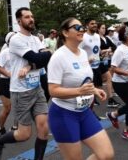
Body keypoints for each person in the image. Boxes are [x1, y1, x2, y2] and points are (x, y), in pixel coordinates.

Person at [0, 7, 52, 160]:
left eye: (31, 16)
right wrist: (41, 57)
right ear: (19, 21)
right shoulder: (16, 40)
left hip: (37, 88)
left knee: (43, 130)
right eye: (26, 17)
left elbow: (46, 59)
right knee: (24, 134)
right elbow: (40, 58)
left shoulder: (36, 39)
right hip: (20, 91)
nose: (31, 19)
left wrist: (29, 66)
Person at [48, 17, 114, 160]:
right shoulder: (58, 57)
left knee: (106, 154)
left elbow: (83, 80)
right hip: (64, 115)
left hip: (84, 112)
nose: (82, 30)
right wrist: (79, 91)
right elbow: (53, 91)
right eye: (77, 28)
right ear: (66, 33)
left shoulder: (83, 53)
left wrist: (95, 90)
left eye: (82, 27)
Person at [106, 25, 128, 141]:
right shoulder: (120, 50)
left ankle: (113, 115)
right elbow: (113, 68)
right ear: (126, 36)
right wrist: (126, 73)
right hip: (120, 82)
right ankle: (127, 131)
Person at [0, 31, 16, 135]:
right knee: (7, 108)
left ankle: (16, 126)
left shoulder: (22, 51)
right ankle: (0, 128)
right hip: (5, 82)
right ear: (10, 41)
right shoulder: (5, 52)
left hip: (18, 82)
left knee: (20, 107)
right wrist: (9, 74)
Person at [98, 23, 120, 108]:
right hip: (98, 61)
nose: (104, 29)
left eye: (104, 28)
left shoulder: (106, 38)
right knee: (99, 82)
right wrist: (107, 50)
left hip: (107, 61)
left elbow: (114, 47)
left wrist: (110, 52)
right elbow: (98, 51)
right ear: (98, 29)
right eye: (102, 28)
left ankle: (110, 99)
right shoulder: (97, 38)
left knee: (109, 78)